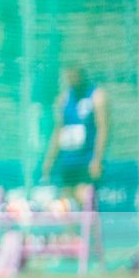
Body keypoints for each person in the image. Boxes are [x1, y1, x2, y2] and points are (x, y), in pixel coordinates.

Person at [40, 66, 107, 197]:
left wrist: (97, 159)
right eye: (68, 77)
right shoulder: (64, 98)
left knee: (84, 197)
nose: (71, 80)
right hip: (68, 160)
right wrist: (49, 159)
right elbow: (58, 130)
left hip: (87, 159)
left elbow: (103, 128)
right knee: (67, 202)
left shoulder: (96, 96)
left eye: (74, 76)